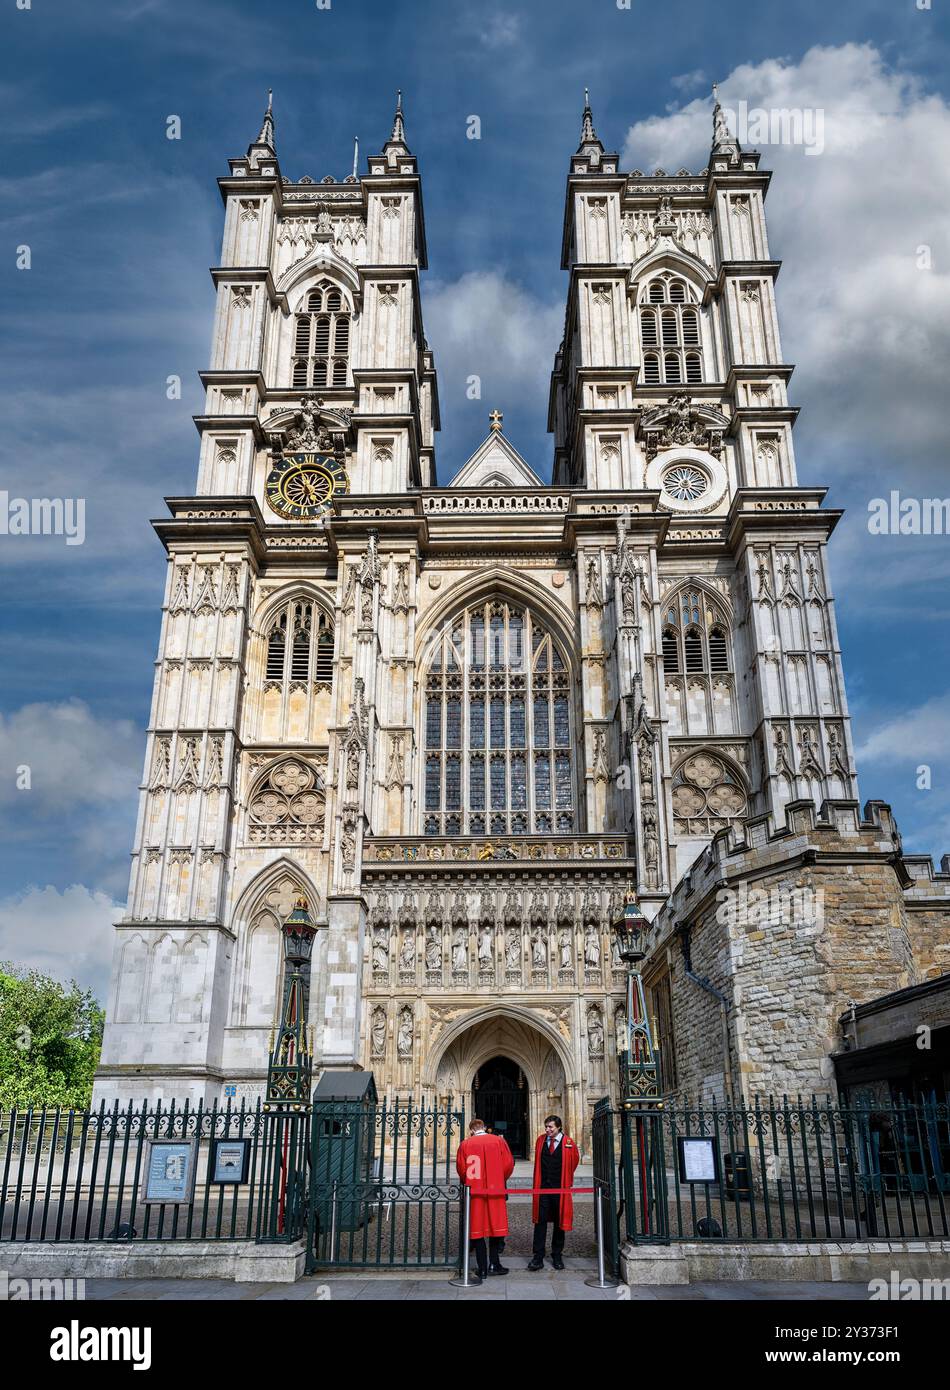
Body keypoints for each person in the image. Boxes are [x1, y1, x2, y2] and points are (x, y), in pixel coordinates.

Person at [455, 1117, 514, 1282]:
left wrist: (469, 1181)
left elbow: (461, 1168)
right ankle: (494, 1264)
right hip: (495, 1191)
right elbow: (509, 1164)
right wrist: (499, 1178)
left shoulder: (465, 1144)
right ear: (484, 1127)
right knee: (495, 1228)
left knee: (477, 1230)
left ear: (472, 1130)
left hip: (475, 1192)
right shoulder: (498, 1141)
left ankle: (482, 1269)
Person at [527, 1114, 579, 1271]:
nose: (547, 1130)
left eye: (551, 1127)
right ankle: (538, 1256)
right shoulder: (541, 1140)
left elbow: (574, 1162)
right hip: (543, 1188)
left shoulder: (569, 1143)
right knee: (540, 1221)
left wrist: (564, 1179)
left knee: (559, 1222)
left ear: (559, 1127)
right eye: (546, 1127)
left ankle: (557, 1255)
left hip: (560, 1188)